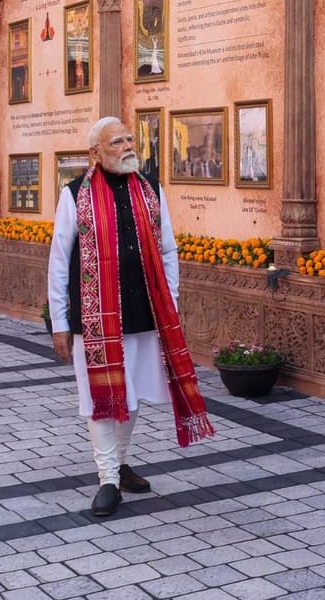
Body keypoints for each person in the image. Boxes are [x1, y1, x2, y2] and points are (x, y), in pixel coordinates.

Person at [48, 116, 214, 517]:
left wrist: (170, 301)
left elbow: (168, 250)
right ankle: (107, 478)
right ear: (95, 153)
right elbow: (59, 260)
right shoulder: (74, 195)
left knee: (132, 391)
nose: (127, 147)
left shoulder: (151, 189)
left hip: (144, 311)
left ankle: (121, 463)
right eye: (116, 142)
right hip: (94, 318)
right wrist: (59, 322)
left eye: (128, 139)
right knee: (101, 397)